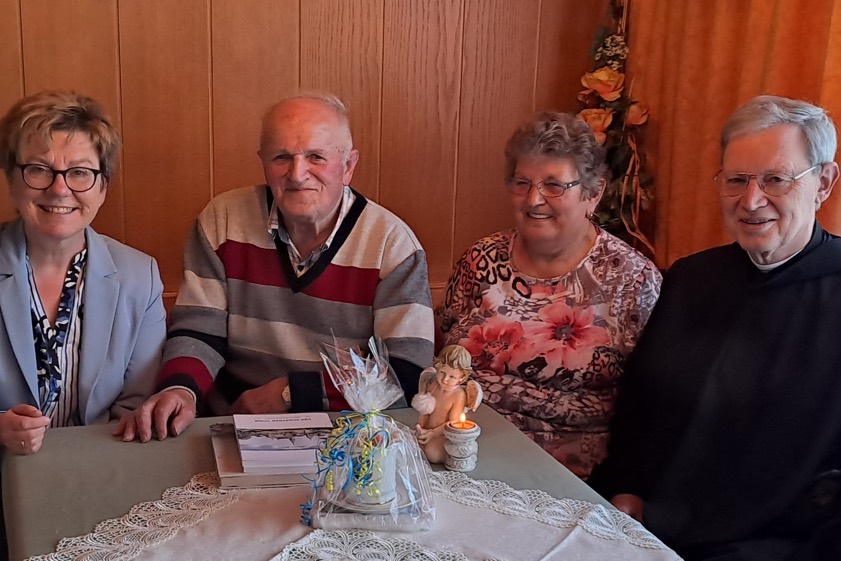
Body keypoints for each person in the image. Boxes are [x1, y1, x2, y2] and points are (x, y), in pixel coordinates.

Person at [591, 95, 841, 561]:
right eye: (736, 180)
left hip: (779, 546)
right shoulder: (693, 278)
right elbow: (641, 404)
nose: (751, 201)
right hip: (650, 527)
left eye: (776, 179)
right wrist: (627, 488)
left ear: (823, 183)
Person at [116, 93, 434, 443]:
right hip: (229, 421)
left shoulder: (392, 244)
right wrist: (181, 389)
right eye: (282, 157)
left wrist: (290, 394)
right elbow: (199, 331)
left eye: (316, 157)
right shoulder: (222, 221)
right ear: (263, 163)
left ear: (348, 166)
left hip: (348, 435)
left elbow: (407, 373)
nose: (297, 174)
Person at [437, 112, 661, 480]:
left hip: (572, 476)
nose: (533, 199)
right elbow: (445, 354)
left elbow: (652, 406)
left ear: (593, 194)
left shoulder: (632, 279)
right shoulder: (480, 259)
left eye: (554, 185)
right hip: (462, 457)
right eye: (521, 183)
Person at [0, 90, 166, 453]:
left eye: (79, 172)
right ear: (11, 179)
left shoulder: (140, 276)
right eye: (39, 170)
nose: (59, 189)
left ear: (103, 186)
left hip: (101, 463)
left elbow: (136, 405)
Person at [412, 344, 480, 463]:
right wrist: (420, 427)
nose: (445, 379)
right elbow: (424, 410)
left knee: (432, 454)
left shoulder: (458, 395)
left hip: (442, 435)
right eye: (442, 372)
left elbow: (453, 423)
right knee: (409, 445)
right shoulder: (433, 385)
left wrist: (433, 433)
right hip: (426, 430)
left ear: (462, 377)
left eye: (452, 376)